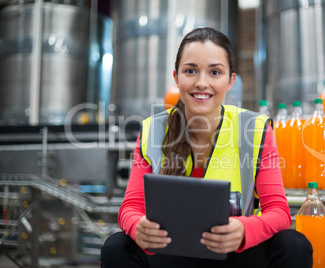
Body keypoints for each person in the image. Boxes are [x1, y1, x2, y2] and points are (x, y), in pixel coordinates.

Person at [101, 27, 312, 267]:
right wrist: (138, 226)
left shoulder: (256, 129)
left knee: (293, 244)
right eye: (190, 71)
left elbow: (279, 211)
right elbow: (130, 208)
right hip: (172, 253)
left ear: (230, 80)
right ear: (176, 77)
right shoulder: (153, 130)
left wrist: (244, 229)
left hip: (233, 253)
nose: (202, 83)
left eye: (214, 72)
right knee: (117, 246)